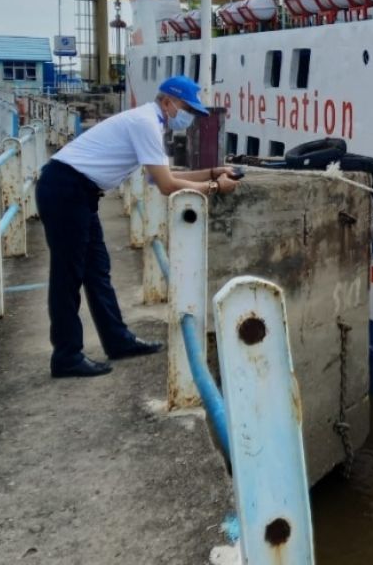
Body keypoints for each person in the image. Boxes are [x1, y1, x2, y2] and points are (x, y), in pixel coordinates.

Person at [36, 75, 239, 378]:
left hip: (77, 190)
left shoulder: (150, 121)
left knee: (97, 271)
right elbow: (167, 185)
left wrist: (213, 171)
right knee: (68, 275)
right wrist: (215, 186)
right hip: (67, 189)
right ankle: (66, 356)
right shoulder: (146, 123)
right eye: (187, 109)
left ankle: (118, 341)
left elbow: (163, 174)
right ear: (168, 102)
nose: (189, 117)